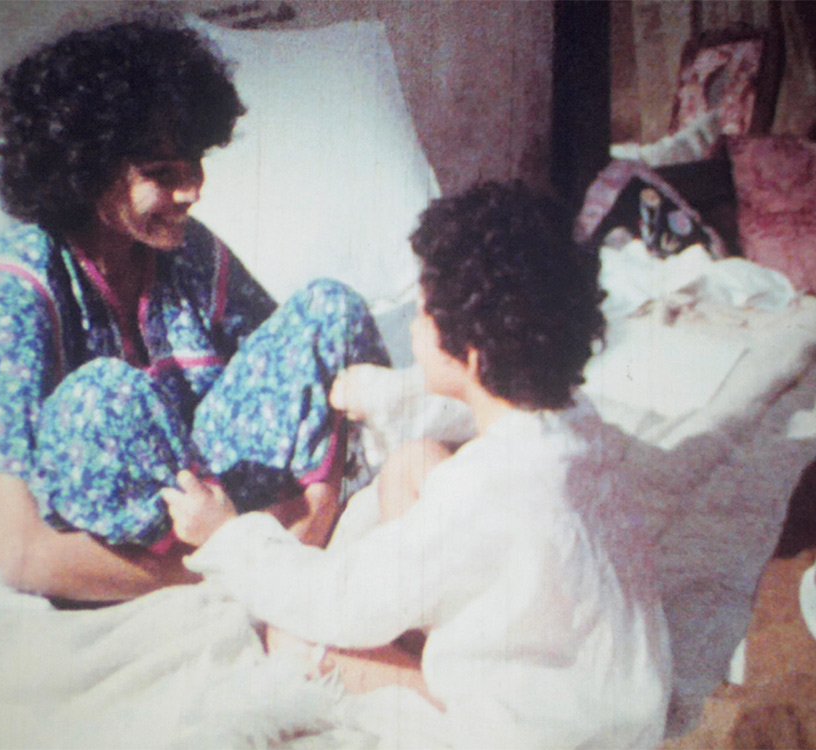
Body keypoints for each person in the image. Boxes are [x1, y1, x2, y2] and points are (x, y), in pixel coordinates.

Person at [163, 182, 672, 748]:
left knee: (291, 635)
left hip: (536, 732)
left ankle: (425, 680)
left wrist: (226, 535)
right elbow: (457, 404)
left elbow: (338, 600)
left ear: (470, 352)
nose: (411, 326)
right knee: (413, 461)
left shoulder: (484, 492)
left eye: (424, 314)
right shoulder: (576, 420)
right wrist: (383, 395)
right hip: (613, 696)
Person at [0, 17, 389, 603]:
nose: (193, 191)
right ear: (86, 172)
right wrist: (229, 568)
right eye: (163, 174)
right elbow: (21, 554)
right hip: (97, 549)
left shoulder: (186, 250)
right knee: (101, 399)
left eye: (194, 163)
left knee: (328, 311)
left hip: (204, 507)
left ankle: (322, 527)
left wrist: (305, 518)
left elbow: (293, 380)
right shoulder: (14, 290)